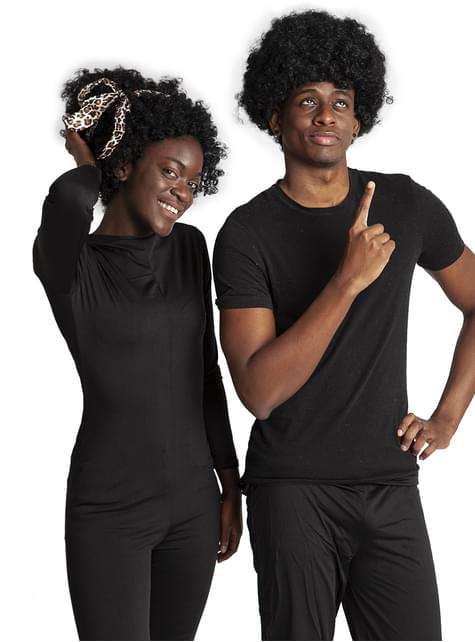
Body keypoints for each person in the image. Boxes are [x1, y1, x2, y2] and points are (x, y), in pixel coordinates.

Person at [212, 10, 475, 641]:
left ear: (359, 119)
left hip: (390, 483)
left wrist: (446, 418)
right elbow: (259, 392)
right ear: (275, 116)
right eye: (308, 100)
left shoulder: (407, 204)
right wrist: (346, 281)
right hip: (291, 488)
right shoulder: (246, 233)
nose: (326, 115)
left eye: (341, 102)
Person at [32, 67, 242, 641]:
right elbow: (68, 200)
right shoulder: (70, 266)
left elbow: (206, 375)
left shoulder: (190, 248)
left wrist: (230, 484)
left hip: (194, 505)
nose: (183, 193)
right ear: (124, 165)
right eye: (170, 171)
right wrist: (86, 161)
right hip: (110, 509)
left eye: (192, 181)